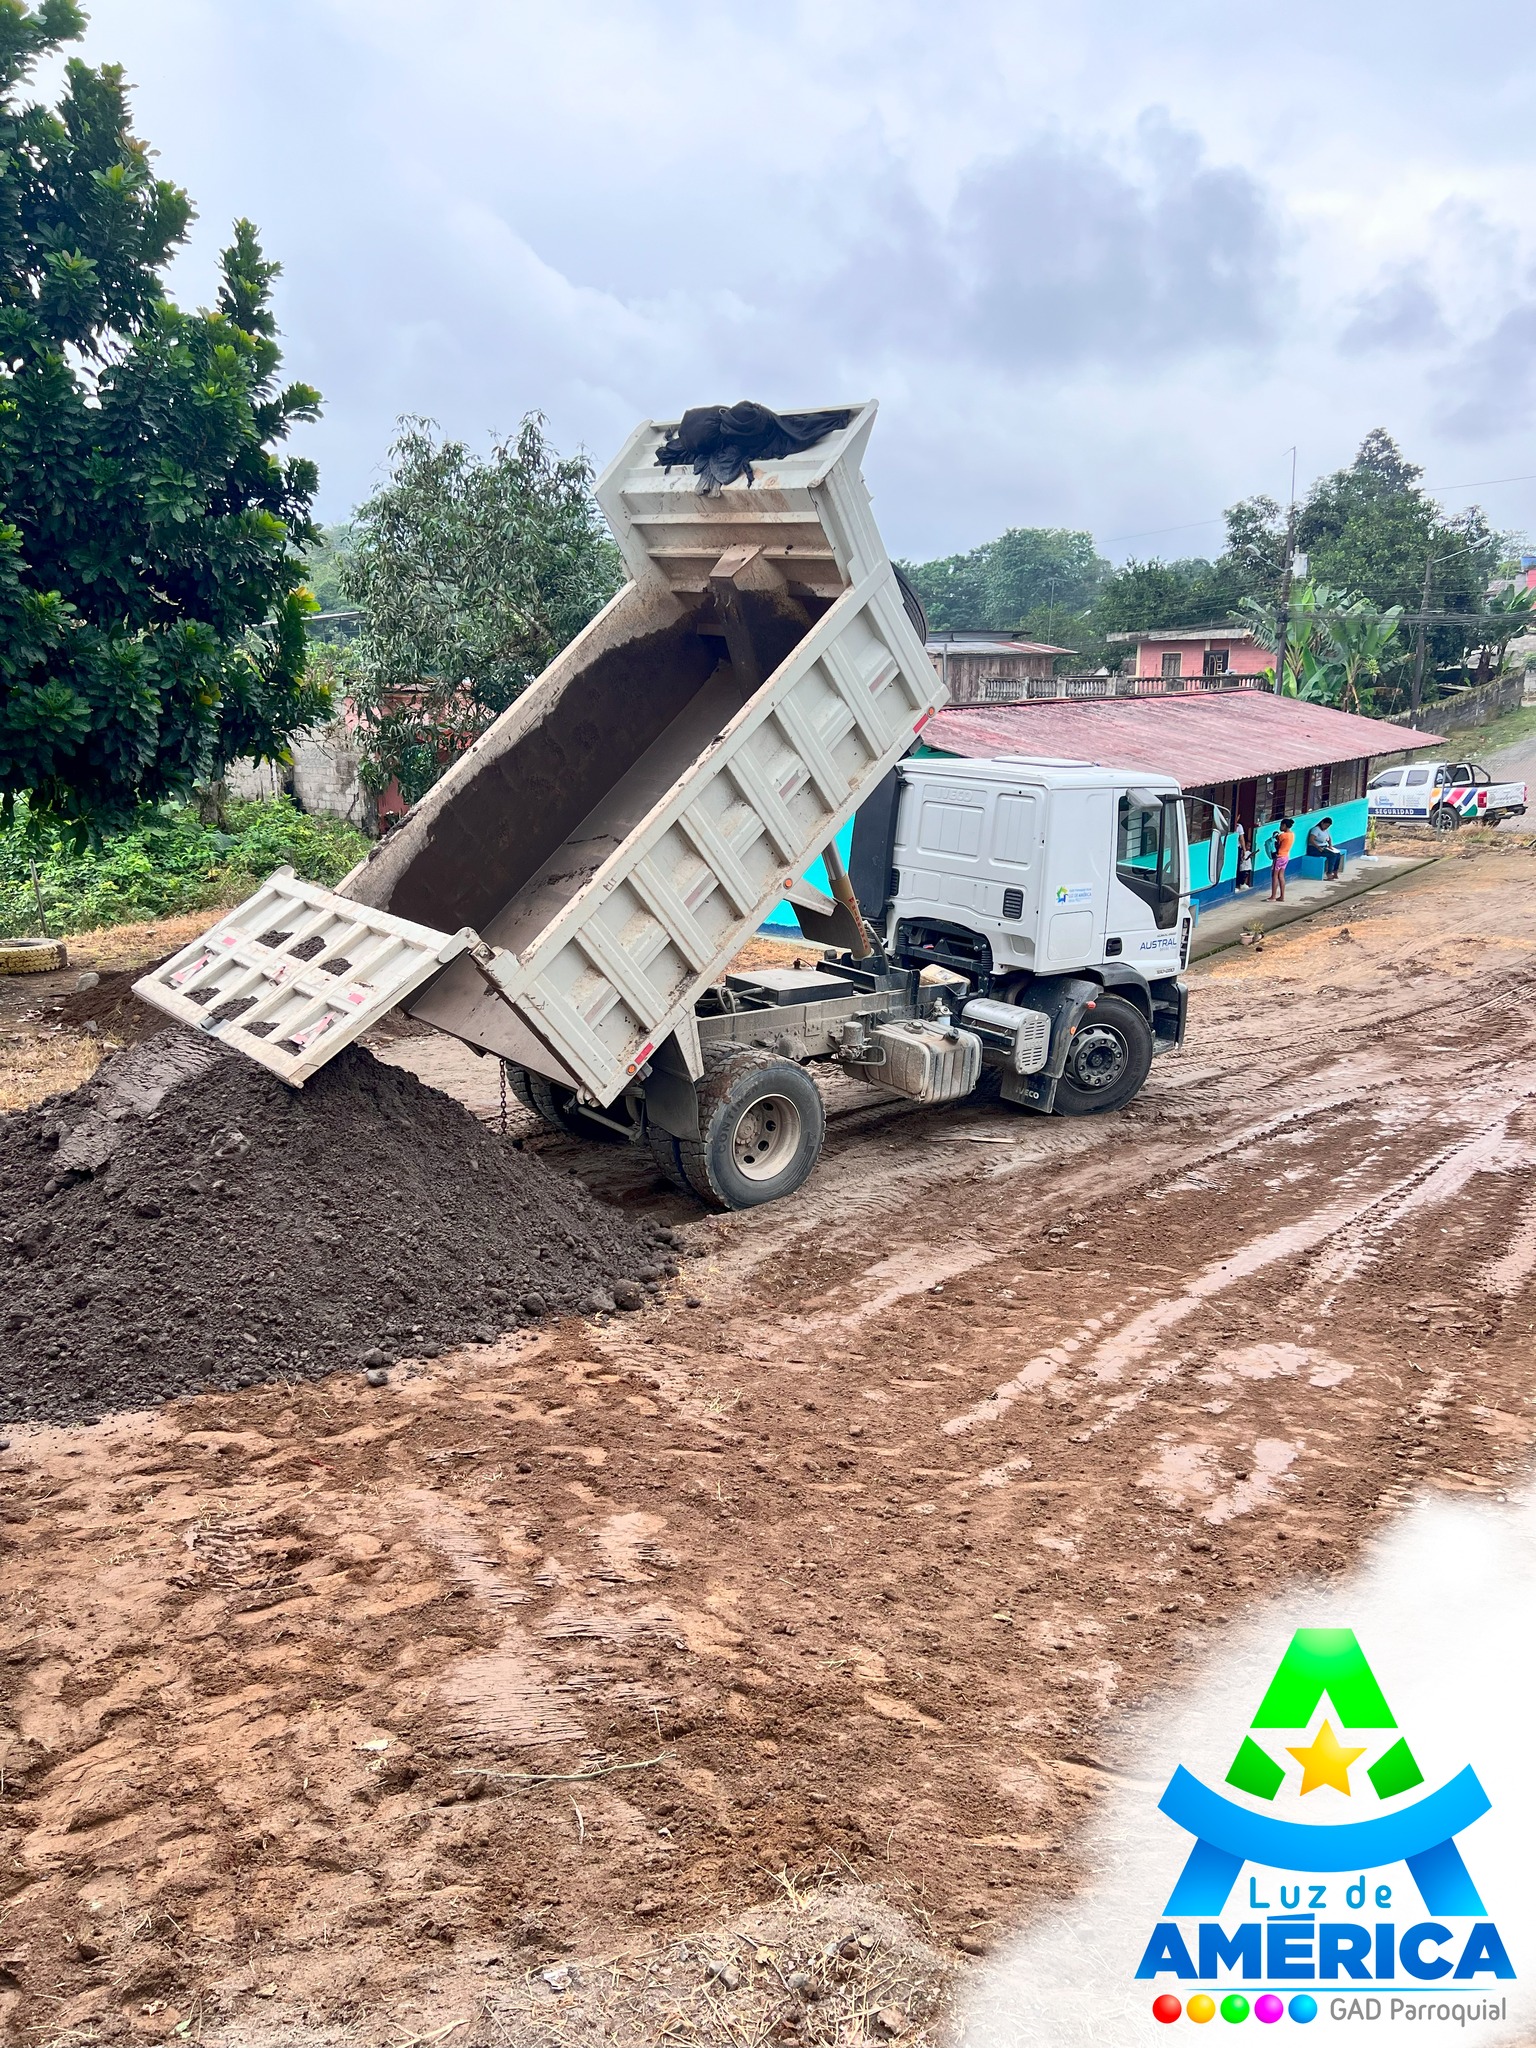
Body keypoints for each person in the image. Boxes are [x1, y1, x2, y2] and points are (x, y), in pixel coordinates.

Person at [1307, 814, 1344, 880]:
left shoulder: (1326, 830)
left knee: (1338, 854)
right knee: (1332, 855)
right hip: (1314, 848)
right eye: (1326, 825)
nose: (1326, 827)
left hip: (1324, 847)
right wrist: (1318, 847)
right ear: (1322, 823)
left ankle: (1335, 871)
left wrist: (1330, 845)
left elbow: (1329, 838)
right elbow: (1311, 840)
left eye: (1328, 826)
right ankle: (1329, 873)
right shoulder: (1316, 829)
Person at [1268, 815, 1295, 901]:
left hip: (1279, 857)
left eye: (1281, 825)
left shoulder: (1282, 836)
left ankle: (1273, 896)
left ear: (1284, 825)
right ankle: (1282, 896)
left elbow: (1275, 844)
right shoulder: (1292, 834)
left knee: (1274, 876)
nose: (1280, 827)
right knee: (1281, 876)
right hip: (1286, 856)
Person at [1233, 821, 1254, 892]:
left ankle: (1239, 884)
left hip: (1237, 848)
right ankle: (1237, 884)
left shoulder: (1239, 826)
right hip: (1233, 848)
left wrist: (1244, 850)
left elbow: (1242, 838)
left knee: (1238, 867)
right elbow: (1241, 838)